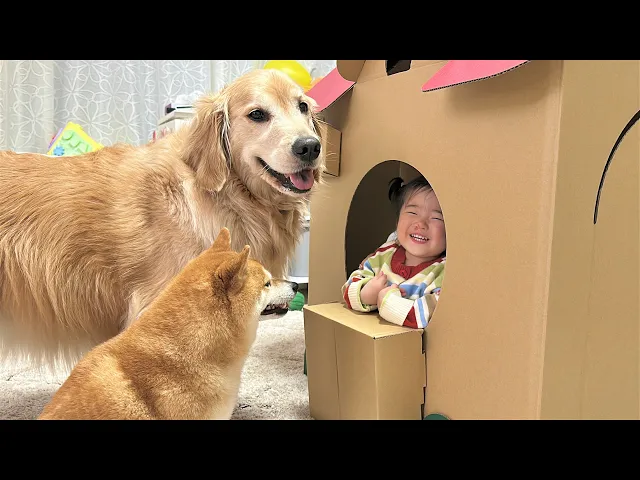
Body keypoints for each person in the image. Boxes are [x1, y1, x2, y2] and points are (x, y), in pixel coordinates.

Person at [342, 175, 446, 329]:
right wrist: (366, 293)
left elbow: (435, 315)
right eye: (413, 213)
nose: (421, 224)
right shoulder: (384, 254)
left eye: (436, 218)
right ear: (397, 221)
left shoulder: (443, 272)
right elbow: (349, 286)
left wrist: (389, 303)